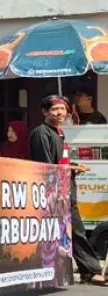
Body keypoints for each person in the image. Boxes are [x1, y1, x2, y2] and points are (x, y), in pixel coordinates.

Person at [30, 95, 108, 286]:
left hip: (65, 187)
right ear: (45, 112)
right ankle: (88, 270)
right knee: (65, 232)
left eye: (63, 109)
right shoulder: (42, 133)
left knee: (75, 231)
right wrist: (67, 173)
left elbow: (60, 162)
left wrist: (74, 166)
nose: (59, 113)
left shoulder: (59, 132)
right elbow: (47, 167)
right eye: (55, 109)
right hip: (54, 191)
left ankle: (88, 271)